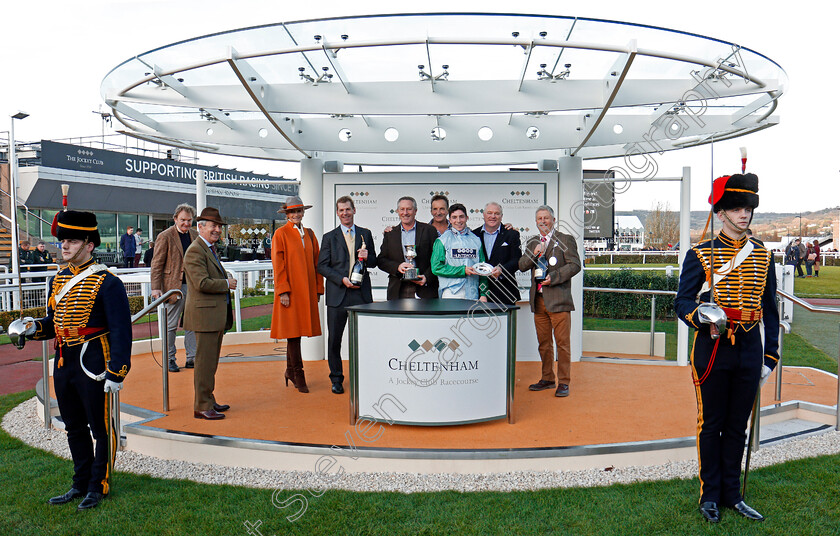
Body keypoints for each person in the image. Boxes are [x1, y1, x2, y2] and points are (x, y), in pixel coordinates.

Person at [674, 172, 779, 523]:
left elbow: (771, 308)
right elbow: (682, 302)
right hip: (713, 346)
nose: (744, 214)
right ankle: (710, 496)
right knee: (712, 423)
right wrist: (703, 318)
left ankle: (733, 495)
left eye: (748, 207)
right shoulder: (701, 254)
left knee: (738, 425)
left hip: (750, 346)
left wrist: (770, 353)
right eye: (736, 208)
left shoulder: (763, 254)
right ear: (721, 213)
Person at [21, 210, 132, 510]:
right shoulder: (58, 280)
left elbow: (122, 330)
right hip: (63, 362)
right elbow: (52, 322)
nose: (64, 247)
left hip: (93, 361)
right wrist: (32, 328)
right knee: (73, 426)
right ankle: (80, 482)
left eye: (71, 241)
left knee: (100, 426)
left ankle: (100, 484)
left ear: (89, 244)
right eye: (62, 241)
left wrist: (117, 371)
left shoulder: (107, 281)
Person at [518, 205, 581, 398]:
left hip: (559, 300)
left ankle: (564, 382)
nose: (543, 221)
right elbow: (521, 266)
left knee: (562, 344)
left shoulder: (565, 239)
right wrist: (534, 253)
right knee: (543, 343)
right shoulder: (533, 242)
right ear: (536, 222)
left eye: (546, 218)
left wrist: (554, 277)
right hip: (539, 301)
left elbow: (575, 265)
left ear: (553, 220)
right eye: (539, 219)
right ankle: (547, 378)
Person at [317, 196, 377, 394]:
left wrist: (369, 257)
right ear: (337, 213)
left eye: (348, 210)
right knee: (335, 340)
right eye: (341, 210)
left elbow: (374, 262)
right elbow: (321, 266)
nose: (345, 213)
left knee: (364, 339)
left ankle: (364, 376)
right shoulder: (329, 237)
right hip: (338, 295)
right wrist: (341, 279)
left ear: (354, 210)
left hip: (361, 295)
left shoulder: (365, 234)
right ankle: (336, 379)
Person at [183, 207, 236, 420]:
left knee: (210, 363)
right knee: (204, 364)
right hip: (205, 317)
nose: (217, 230)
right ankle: (202, 406)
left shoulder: (208, 249)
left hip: (212, 317)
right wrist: (226, 282)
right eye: (213, 226)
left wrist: (224, 278)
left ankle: (208, 400)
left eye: (219, 226)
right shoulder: (196, 250)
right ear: (201, 227)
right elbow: (201, 282)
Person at [270, 196, 324, 393]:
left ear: (303, 212)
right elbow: (278, 265)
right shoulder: (280, 234)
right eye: (292, 212)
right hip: (290, 292)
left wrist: (318, 289)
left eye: (298, 211)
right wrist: (283, 290)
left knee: (296, 332)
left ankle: (290, 371)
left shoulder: (310, 234)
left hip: (307, 290)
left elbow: (317, 263)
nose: (295, 215)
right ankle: (298, 373)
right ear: (286, 214)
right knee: (292, 333)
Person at [150, 204, 198, 372]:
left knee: (192, 324)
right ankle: (170, 358)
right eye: (183, 220)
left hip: (193, 286)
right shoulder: (165, 236)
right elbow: (156, 264)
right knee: (171, 326)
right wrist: (155, 288)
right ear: (175, 219)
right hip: (173, 288)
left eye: (189, 220)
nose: (186, 223)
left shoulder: (195, 235)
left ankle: (192, 357)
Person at [377, 196, 439, 299]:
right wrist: (397, 267)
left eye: (409, 209)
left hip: (425, 289)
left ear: (415, 211)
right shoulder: (390, 234)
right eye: (402, 209)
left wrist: (427, 277)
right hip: (398, 290)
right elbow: (381, 260)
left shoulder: (429, 230)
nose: (405, 213)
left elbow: (437, 259)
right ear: (397, 211)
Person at [431, 203, 488, 300]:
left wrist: (483, 294)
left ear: (467, 218)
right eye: (454, 217)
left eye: (461, 217)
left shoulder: (476, 240)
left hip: (473, 293)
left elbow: (483, 269)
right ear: (450, 220)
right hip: (451, 293)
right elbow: (436, 267)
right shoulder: (442, 240)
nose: (458, 221)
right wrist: (462, 270)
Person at [473, 202, 522, 304]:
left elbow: (517, 259)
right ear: (483, 215)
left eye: (497, 213)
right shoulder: (474, 235)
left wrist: (501, 270)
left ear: (501, 216)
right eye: (489, 213)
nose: (493, 216)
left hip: (505, 292)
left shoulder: (512, 234)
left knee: (506, 320)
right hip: (479, 292)